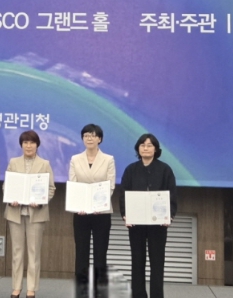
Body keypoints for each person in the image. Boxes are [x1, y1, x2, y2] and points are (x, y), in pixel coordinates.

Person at [119, 133, 177, 298]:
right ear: (138, 148)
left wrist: (169, 215)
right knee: (137, 261)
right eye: (142, 145)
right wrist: (125, 214)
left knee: (157, 262)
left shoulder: (165, 170)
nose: (146, 148)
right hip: (136, 223)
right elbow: (123, 194)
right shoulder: (131, 170)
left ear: (156, 149)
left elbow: (172, 194)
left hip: (158, 224)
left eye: (149, 145)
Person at [4, 130, 56, 298]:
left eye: (32, 142)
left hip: (36, 213)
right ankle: (16, 287)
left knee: (33, 253)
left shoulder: (44, 164)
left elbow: (51, 188)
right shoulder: (13, 162)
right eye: (25, 142)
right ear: (21, 145)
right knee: (17, 252)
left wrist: (40, 201)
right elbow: (7, 185)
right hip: (15, 212)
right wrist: (11, 198)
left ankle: (31, 288)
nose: (28, 146)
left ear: (37, 145)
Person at [68, 124, 116, 298]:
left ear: (99, 139)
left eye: (93, 135)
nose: (89, 138)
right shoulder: (75, 159)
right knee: (81, 254)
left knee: (100, 254)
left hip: (101, 213)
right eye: (86, 135)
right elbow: (73, 184)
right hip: (81, 213)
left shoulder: (108, 159)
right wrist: (78, 205)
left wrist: (99, 205)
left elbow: (110, 186)